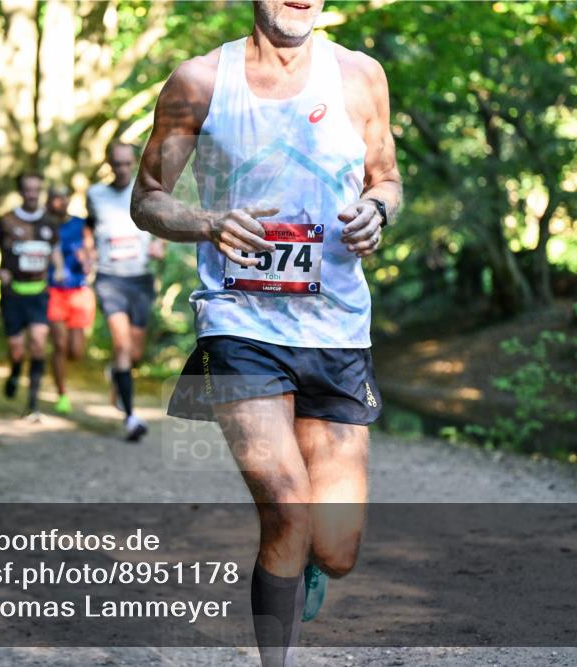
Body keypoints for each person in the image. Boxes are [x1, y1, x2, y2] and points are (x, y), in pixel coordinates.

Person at [130, 1, 401, 665]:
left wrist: (377, 210)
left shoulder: (361, 76)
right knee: (286, 507)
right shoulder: (197, 82)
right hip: (239, 322)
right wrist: (208, 221)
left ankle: (308, 559)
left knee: (335, 549)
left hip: (336, 329)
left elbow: (387, 179)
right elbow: (147, 198)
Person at [87, 142, 165, 442]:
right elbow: (89, 227)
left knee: (134, 351)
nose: (121, 169)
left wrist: (160, 245)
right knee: (121, 345)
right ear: (108, 163)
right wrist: (87, 252)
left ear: (134, 163)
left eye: (126, 163)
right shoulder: (95, 194)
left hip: (141, 279)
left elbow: (161, 225)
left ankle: (117, 377)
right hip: (110, 278)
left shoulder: (146, 191)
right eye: (116, 163)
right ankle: (131, 417)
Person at [0, 173, 64, 420]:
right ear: (21, 192)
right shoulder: (6, 220)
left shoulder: (49, 222)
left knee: (39, 343)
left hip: (39, 293)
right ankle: (15, 370)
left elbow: (55, 250)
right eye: (27, 190)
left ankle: (33, 404)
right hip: (12, 294)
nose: (32, 194)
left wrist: (59, 268)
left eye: (36, 190)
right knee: (17, 349)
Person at [45, 185, 96, 416]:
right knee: (59, 345)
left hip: (78, 292)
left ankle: (60, 368)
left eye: (63, 197)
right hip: (53, 291)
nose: (60, 202)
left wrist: (87, 261)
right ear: (49, 201)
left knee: (75, 351)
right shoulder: (43, 225)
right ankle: (62, 393)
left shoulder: (80, 224)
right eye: (55, 198)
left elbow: (90, 252)